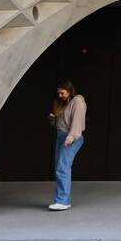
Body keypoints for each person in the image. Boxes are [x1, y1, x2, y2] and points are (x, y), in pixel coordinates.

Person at [48, 80, 86, 211]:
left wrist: (71, 136)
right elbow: (62, 122)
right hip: (61, 136)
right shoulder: (63, 103)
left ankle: (62, 201)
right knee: (60, 168)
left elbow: (77, 120)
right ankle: (65, 200)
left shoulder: (77, 101)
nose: (60, 96)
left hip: (72, 137)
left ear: (69, 90)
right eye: (58, 93)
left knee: (62, 168)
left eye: (62, 93)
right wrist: (54, 120)